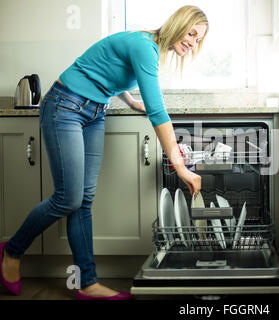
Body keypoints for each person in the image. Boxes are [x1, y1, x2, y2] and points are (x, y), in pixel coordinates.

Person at [0, 5, 206, 300]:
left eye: (199, 40)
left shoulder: (150, 47)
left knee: (82, 200)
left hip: (94, 112)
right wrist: (182, 166)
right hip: (64, 106)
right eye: (192, 33)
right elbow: (158, 112)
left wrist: (131, 100)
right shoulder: (145, 46)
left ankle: (88, 283)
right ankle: (11, 251)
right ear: (179, 23)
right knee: (67, 198)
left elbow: (108, 70)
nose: (193, 42)